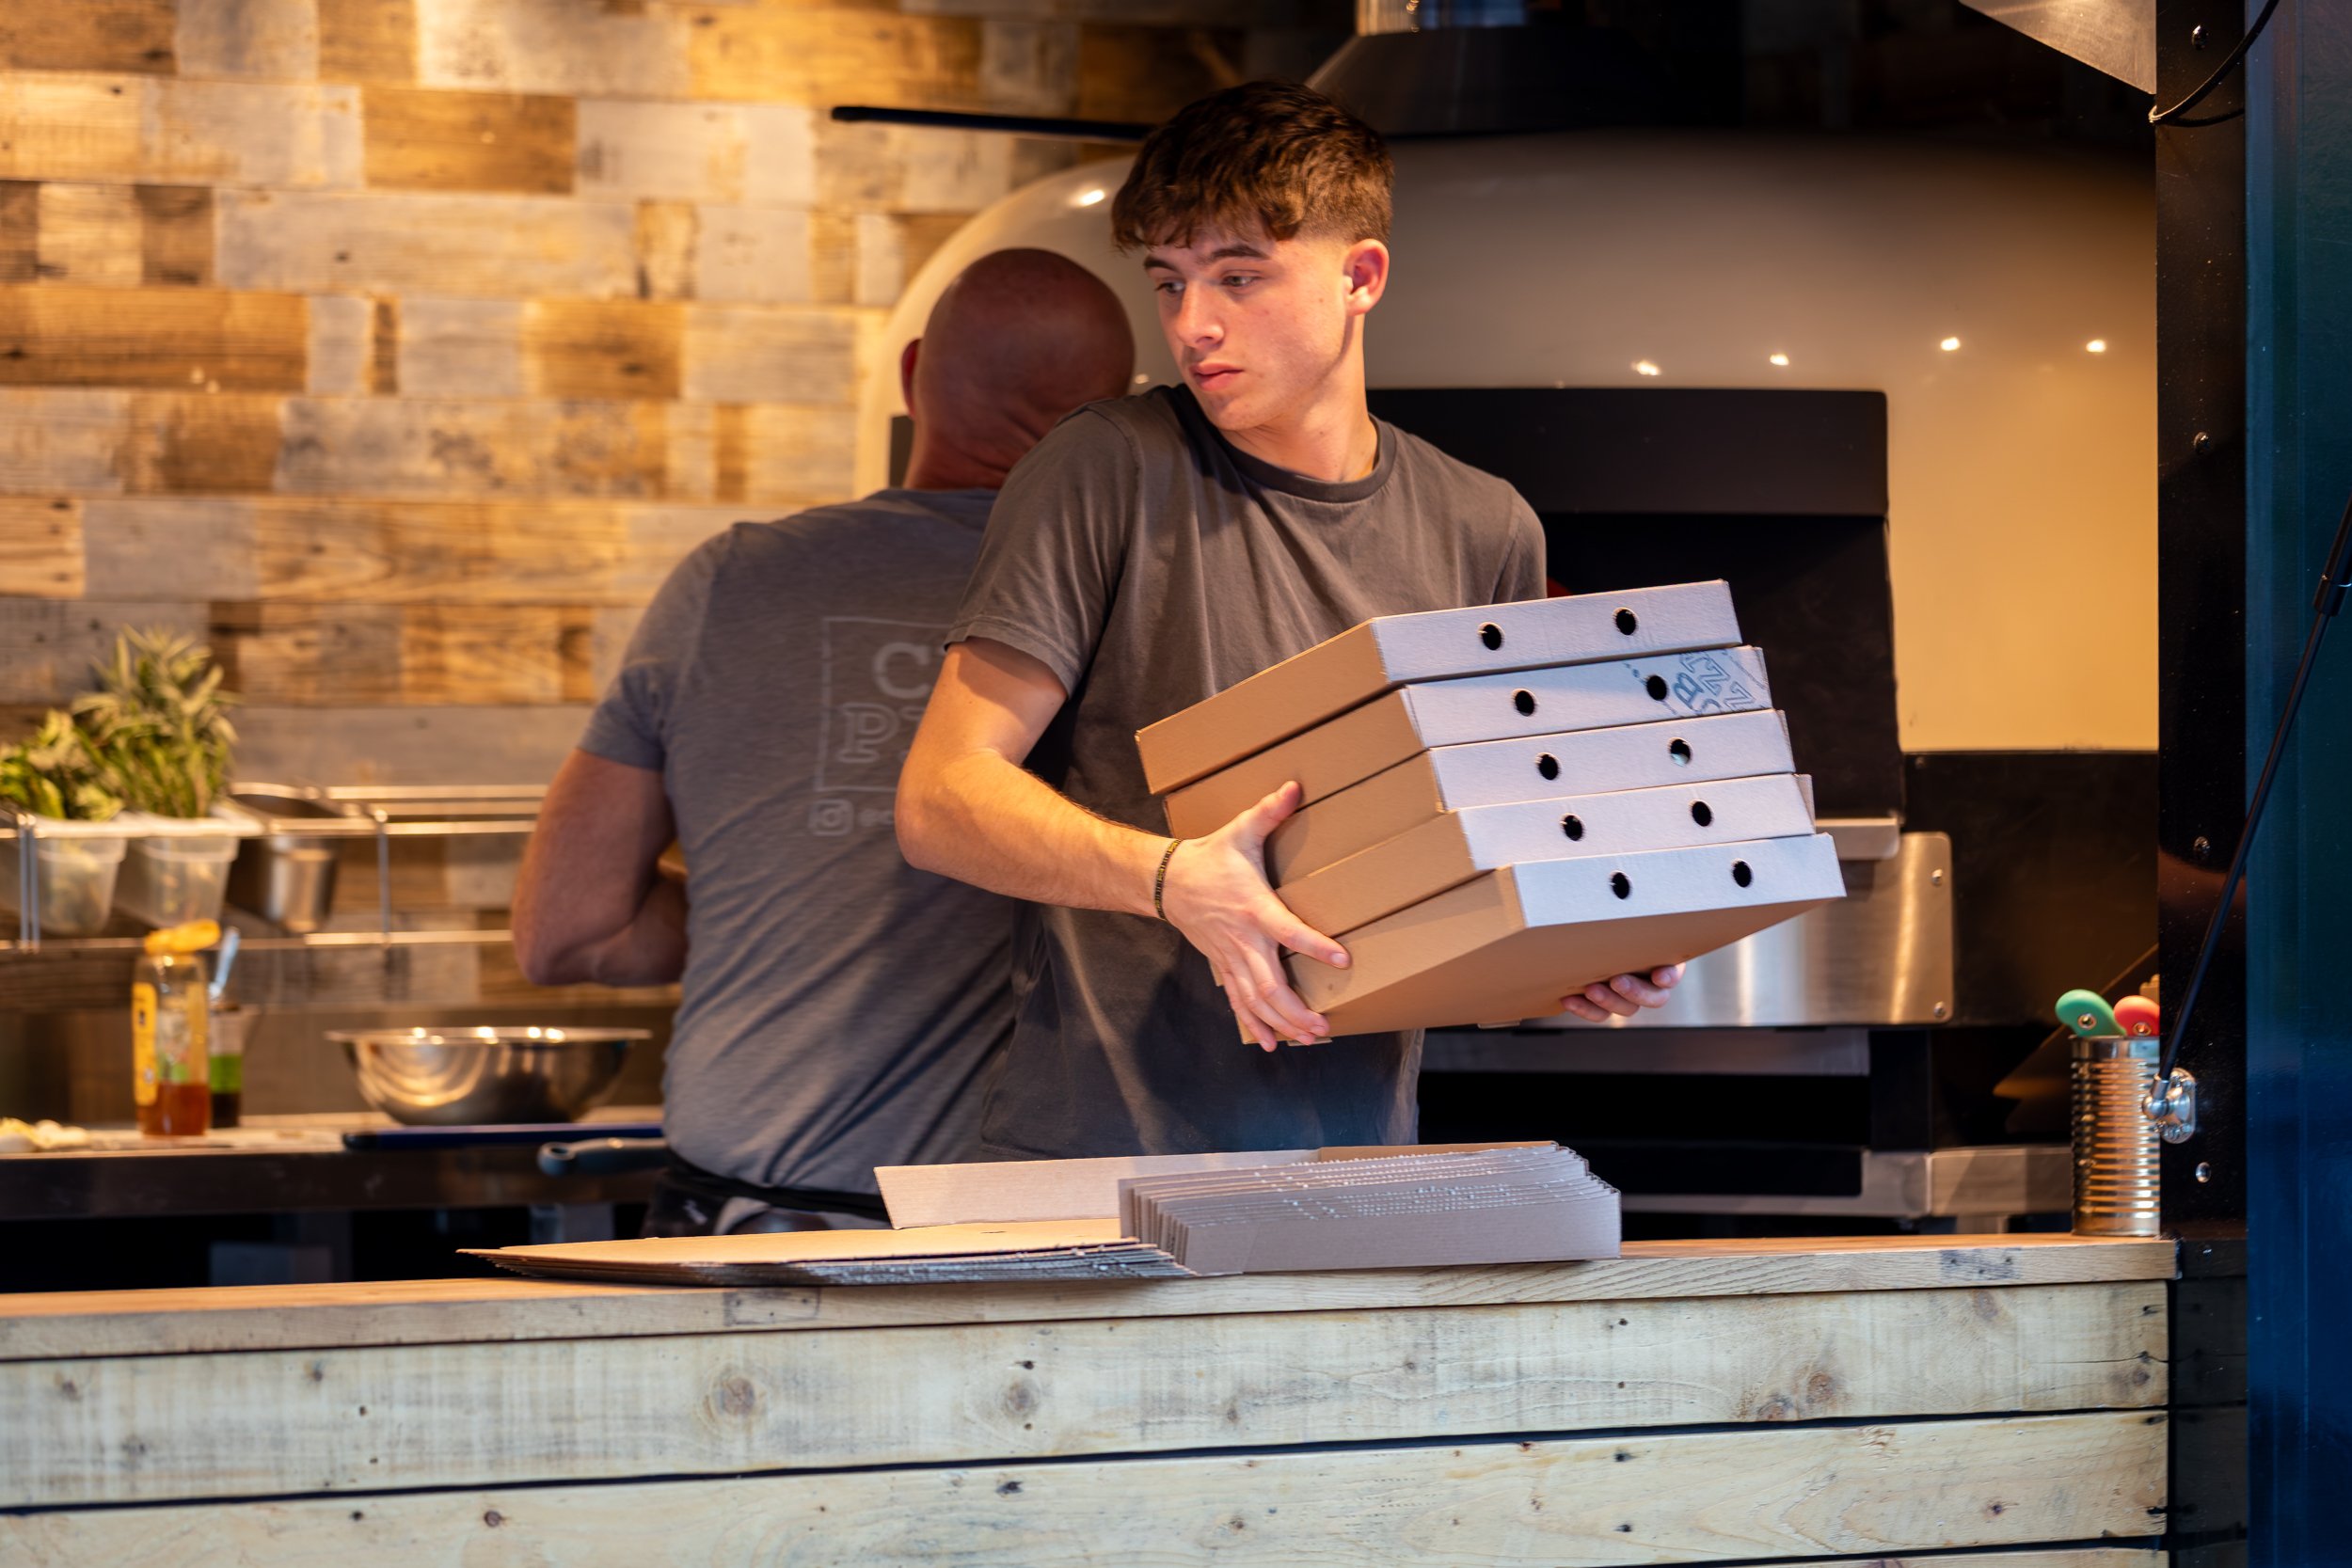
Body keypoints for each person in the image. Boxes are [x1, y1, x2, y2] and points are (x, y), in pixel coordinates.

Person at [896, 83, 1679, 1162]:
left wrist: (1593, 936)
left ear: (1360, 276)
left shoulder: (1483, 523)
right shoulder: (1105, 468)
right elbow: (940, 798)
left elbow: (1501, 839)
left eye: (1238, 276)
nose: (1190, 325)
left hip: (1357, 1157)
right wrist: (1175, 882)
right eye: (1168, 282)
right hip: (1098, 1162)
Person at [513, 248, 1136, 1233]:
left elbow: (567, 930)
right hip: (1015, 1249)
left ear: (911, 375)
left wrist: (773, 903)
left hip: (736, 1230)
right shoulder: (1137, 605)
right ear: (1112, 428)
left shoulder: (732, 584)